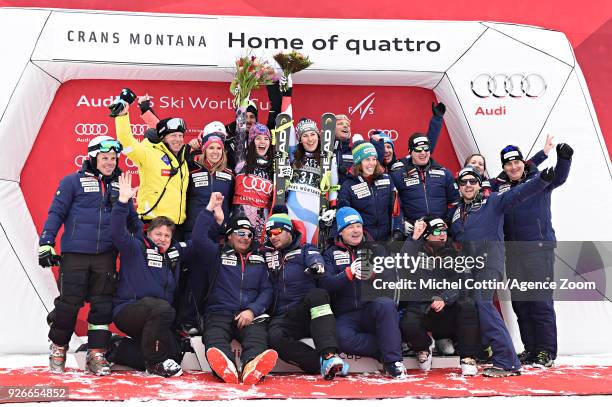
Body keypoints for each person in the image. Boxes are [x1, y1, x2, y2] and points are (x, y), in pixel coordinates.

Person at [40, 136, 140, 375]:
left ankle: (96, 354)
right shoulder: (73, 181)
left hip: (105, 255)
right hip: (75, 254)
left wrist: (141, 244)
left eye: (113, 158)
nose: (110, 162)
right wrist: (46, 242)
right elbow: (56, 212)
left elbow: (133, 221)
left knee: (102, 307)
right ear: (93, 157)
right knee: (68, 305)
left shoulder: (120, 184)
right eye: (104, 158)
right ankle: (58, 347)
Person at [449, 164, 555, 377]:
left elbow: (519, 193)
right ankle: (505, 358)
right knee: (477, 305)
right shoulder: (455, 211)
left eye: (472, 181)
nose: (468, 185)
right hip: (470, 268)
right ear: (458, 186)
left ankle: (507, 360)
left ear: (480, 184)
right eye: (464, 182)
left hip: (490, 263)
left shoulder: (493, 202)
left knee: (483, 302)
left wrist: (542, 179)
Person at [110, 173, 216, 377]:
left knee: (174, 354)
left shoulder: (175, 251)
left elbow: (199, 240)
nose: (162, 239)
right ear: (148, 234)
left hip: (157, 317)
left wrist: (209, 210)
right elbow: (117, 233)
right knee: (163, 310)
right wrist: (123, 202)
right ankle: (155, 364)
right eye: (158, 234)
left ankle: (117, 347)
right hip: (129, 310)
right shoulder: (136, 248)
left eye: (167, 235)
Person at [492, 142, 573, 368]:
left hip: (538, 250)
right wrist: (541, 155)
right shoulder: (500, 187)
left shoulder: (539, 180)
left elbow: (559, 178)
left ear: (522, 162)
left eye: (516, 162)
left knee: (539, 302)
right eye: (508, 164)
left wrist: (563, 158)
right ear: (504, 167)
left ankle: (546, 351)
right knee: (521, 304)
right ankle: (531, 348)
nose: (513, 167)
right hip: (513, 252)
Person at [197, 196, 277, 385]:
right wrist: (209, 209)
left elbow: (267, 291)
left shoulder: (259, 259)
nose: (246, 238)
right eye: (240, 233)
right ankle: (226, 368)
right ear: (230, 235)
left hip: (249, 314)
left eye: (249, 235)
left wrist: (252, 310)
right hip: (219, 312)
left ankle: (252, 366)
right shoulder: (217, 253)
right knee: (214, 337)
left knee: (257, 337)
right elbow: (199, 238)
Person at [320, 207, 407, 379]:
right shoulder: (330, 253)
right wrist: (347, 274)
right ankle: (388, 347)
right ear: (341, 231)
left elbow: (392, 280)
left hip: (371, 309)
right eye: (350, 226)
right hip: (346, 314)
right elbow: (325, 283)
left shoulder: (377, 249)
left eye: (358, 226)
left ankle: (393, 362)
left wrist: (374, 275)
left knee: (386, 304)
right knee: (342, 338)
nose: (356, 230)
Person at [264, 207, 349, 379]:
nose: (273, 237)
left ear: (288, 231)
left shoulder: (304, 249)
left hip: (306, 312)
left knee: (318, 293)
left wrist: (317, 266)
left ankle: (329, 355)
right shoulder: (265, 254)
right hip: (282, 316)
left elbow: (315, 258)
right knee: (274, 337)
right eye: (269, 234)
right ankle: (320, 363)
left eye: (277, 232)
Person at [399, 217, 480, 375]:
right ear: (427, 235)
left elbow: (465, 281)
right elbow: (402, 267)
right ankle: (423, 348)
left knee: (468, 305)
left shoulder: (455, 251)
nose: (442, 235)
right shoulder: (415, 249)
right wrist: (414, 238)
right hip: (423, 306)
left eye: (444, 231)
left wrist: (445, 298)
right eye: (437, 231)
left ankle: (467, 357)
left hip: (447, 308)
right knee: (408, 322)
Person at [112, 91, 190, 230]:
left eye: (180, 135)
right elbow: (126, 142)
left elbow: (159, 125)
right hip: (152, 223)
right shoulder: (149, 153)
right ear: (164, 138)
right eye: (173, 136)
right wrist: (122, 116)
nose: (178, 140)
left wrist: (146, 110)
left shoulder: (183, 157)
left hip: (177, 226)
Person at [389, 131, 458, 237]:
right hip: (414, 231)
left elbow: (455, 201)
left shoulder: (444, 173)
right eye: (418, 149)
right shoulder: (398, 175)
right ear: (410, 151)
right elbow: (395, 205)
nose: (423, 153)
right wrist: (401, 223)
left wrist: (447, 221)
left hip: (440, 231)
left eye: (426, 149)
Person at [286, 118, 338, 244]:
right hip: (293, 207)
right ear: (299, 139)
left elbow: (334, 185)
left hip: (314, 208)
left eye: (313, 134)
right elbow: (287, 124)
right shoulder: (293, 154)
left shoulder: (327, 157)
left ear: (318, 136)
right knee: (293, 246)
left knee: (311, 247)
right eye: (305, 136)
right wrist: (286, 97)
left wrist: (333, 207)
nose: (310, 139)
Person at [337, 141, 402, 241]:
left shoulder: (386, 179)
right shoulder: (348, 185)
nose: (371, 163)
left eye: (374, 159)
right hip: (363, 240)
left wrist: (398, 230)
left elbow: (396, 208)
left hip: (387, 240)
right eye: (367, 159)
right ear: (359, 162)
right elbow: (344, 214)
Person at [371, 102, 446, 171]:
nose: (386, 151)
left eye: (389, 147)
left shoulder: (401, 164)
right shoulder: (369, 170)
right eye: (382, 147)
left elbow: (424, 149)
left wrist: (437, 120)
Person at [232, 123, 275, 240]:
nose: (262, 142)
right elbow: (240, 133)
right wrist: (242, 106)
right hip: (240, 217)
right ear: (251, 141)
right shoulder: (242, 161)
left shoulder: (273, 167)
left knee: (258, 255)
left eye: (266, 139)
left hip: (262, 222)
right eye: (258, 138)